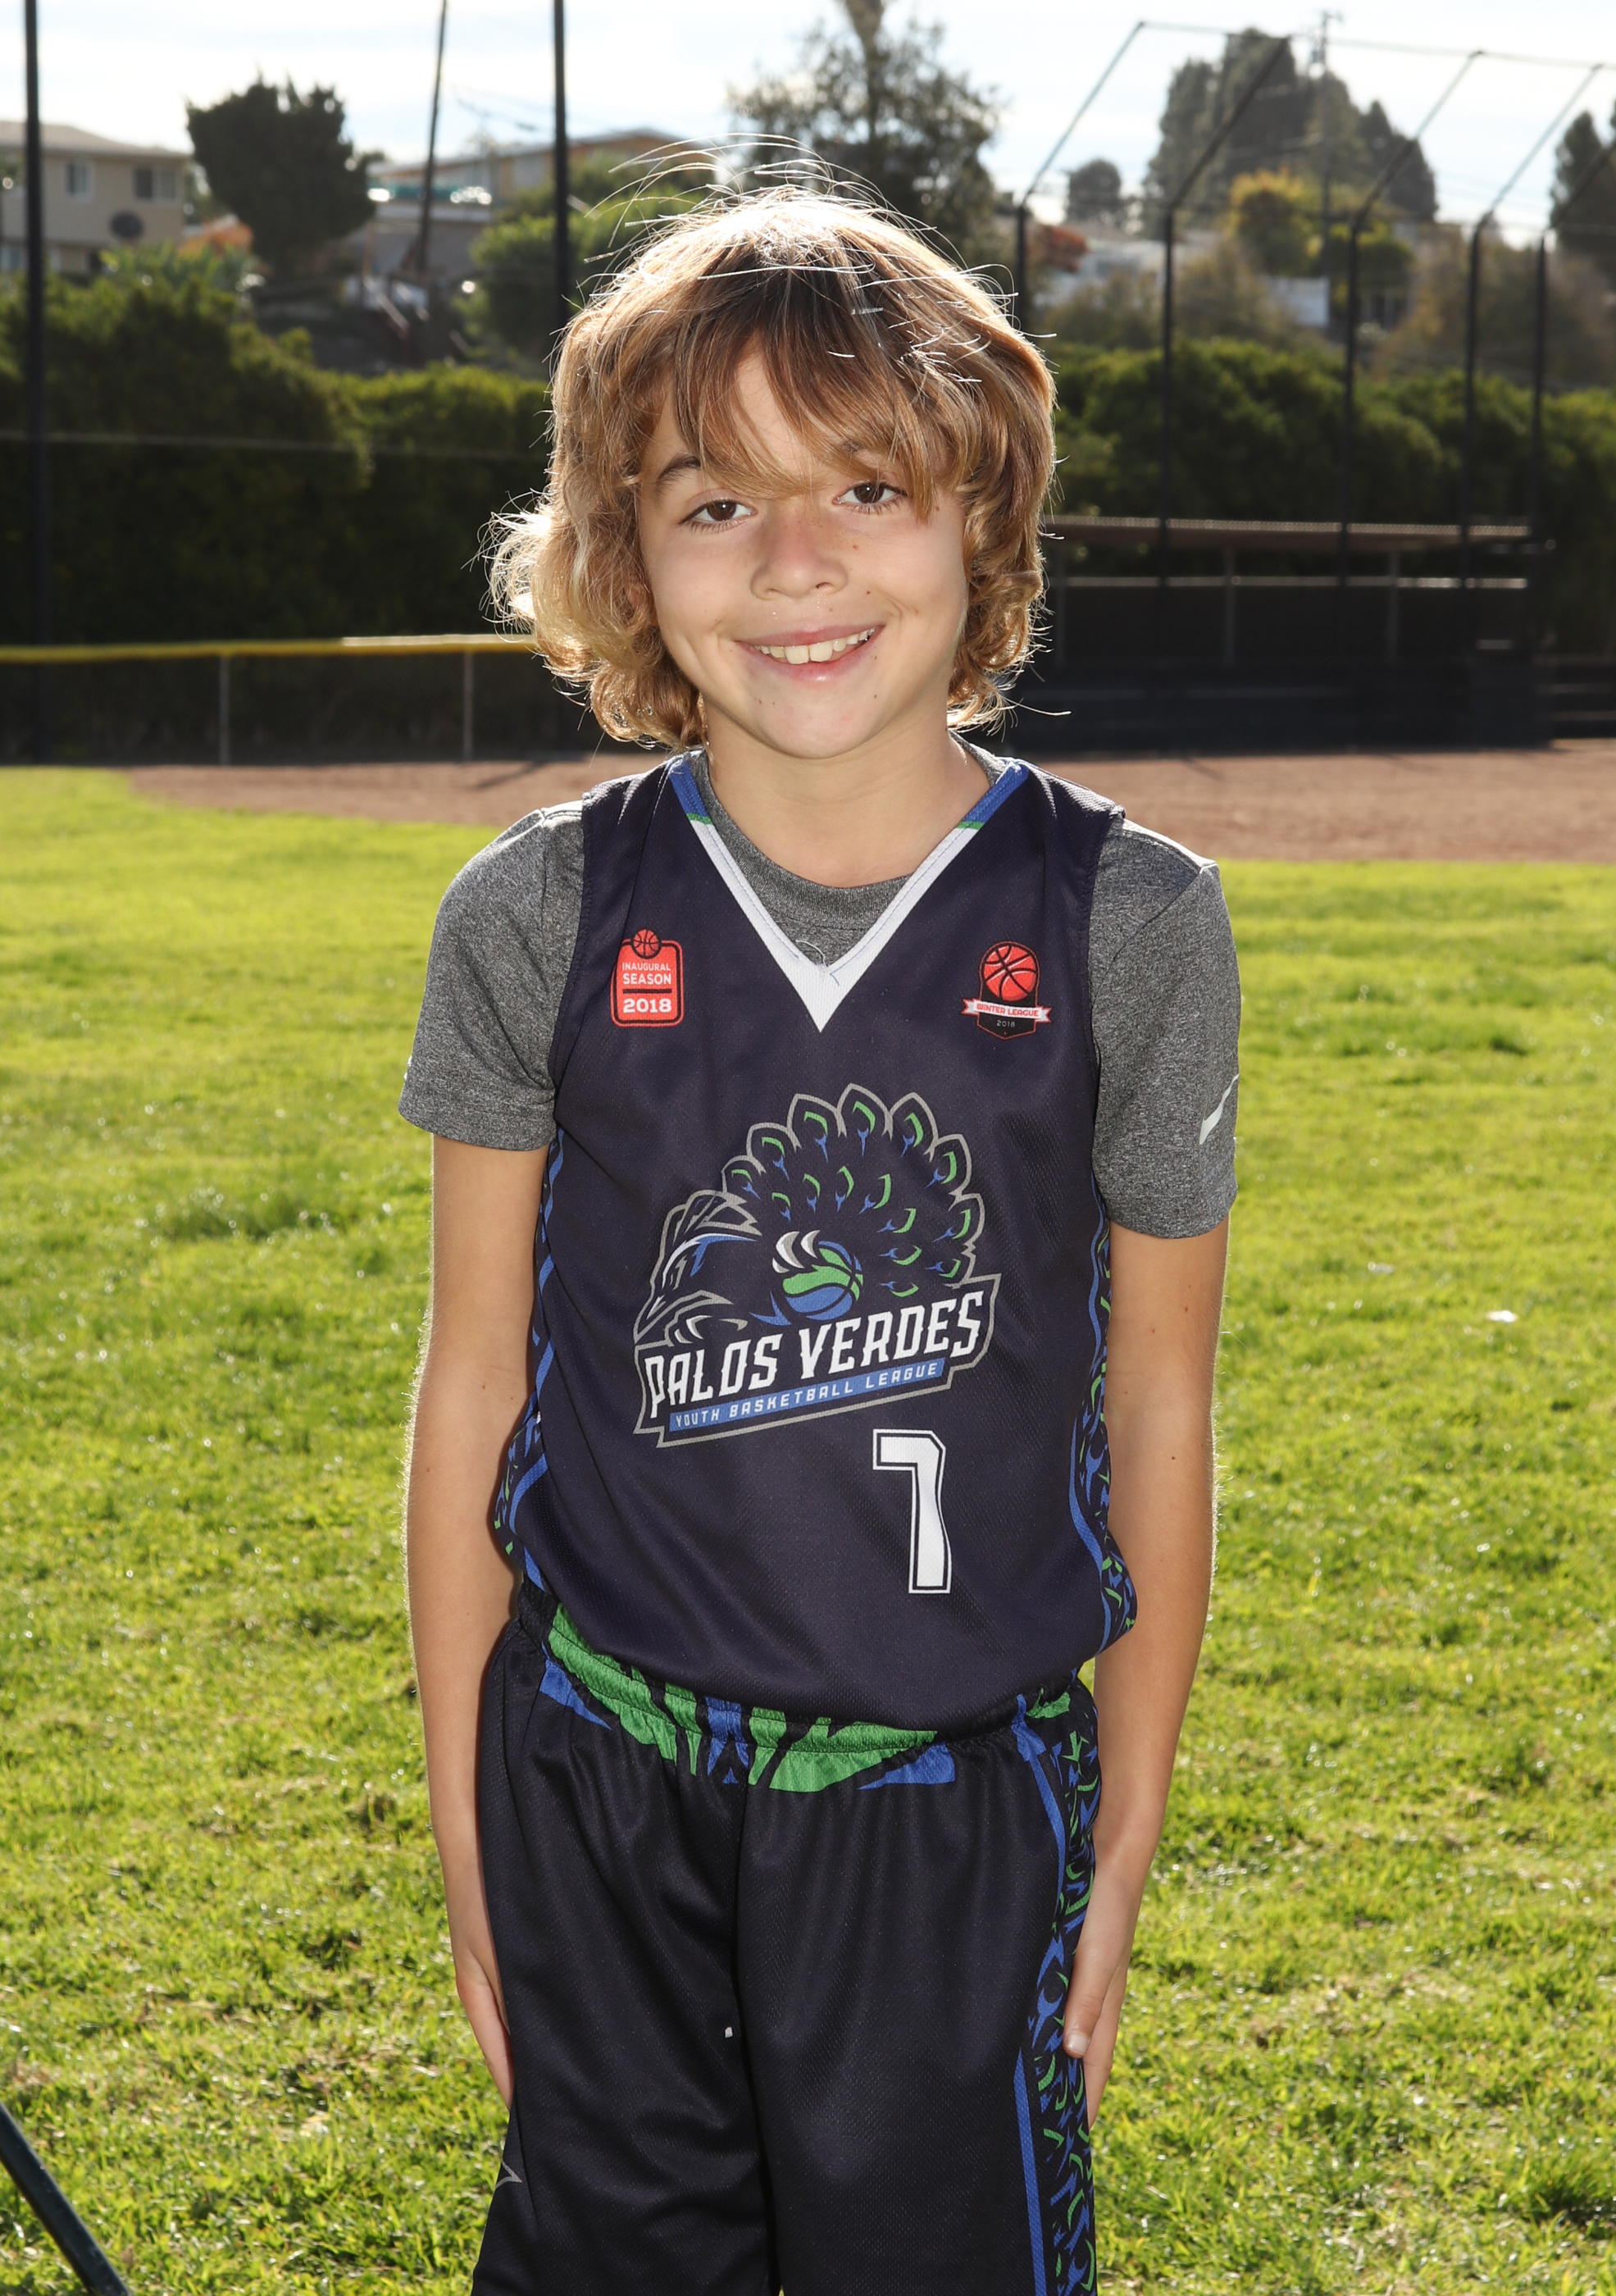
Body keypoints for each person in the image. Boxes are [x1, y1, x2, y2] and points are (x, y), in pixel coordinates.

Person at [400, 188, 1239, 2296]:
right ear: (623, 552)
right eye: (713, 502)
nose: (794, 562)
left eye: (865, 484)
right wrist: (472, 1836)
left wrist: (1124, 1827)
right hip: (599, 1776)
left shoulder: (1127, 919)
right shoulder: (539, 910)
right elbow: (475, 1374)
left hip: (943, 1805)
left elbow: (1158, 1391)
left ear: (981, 514)